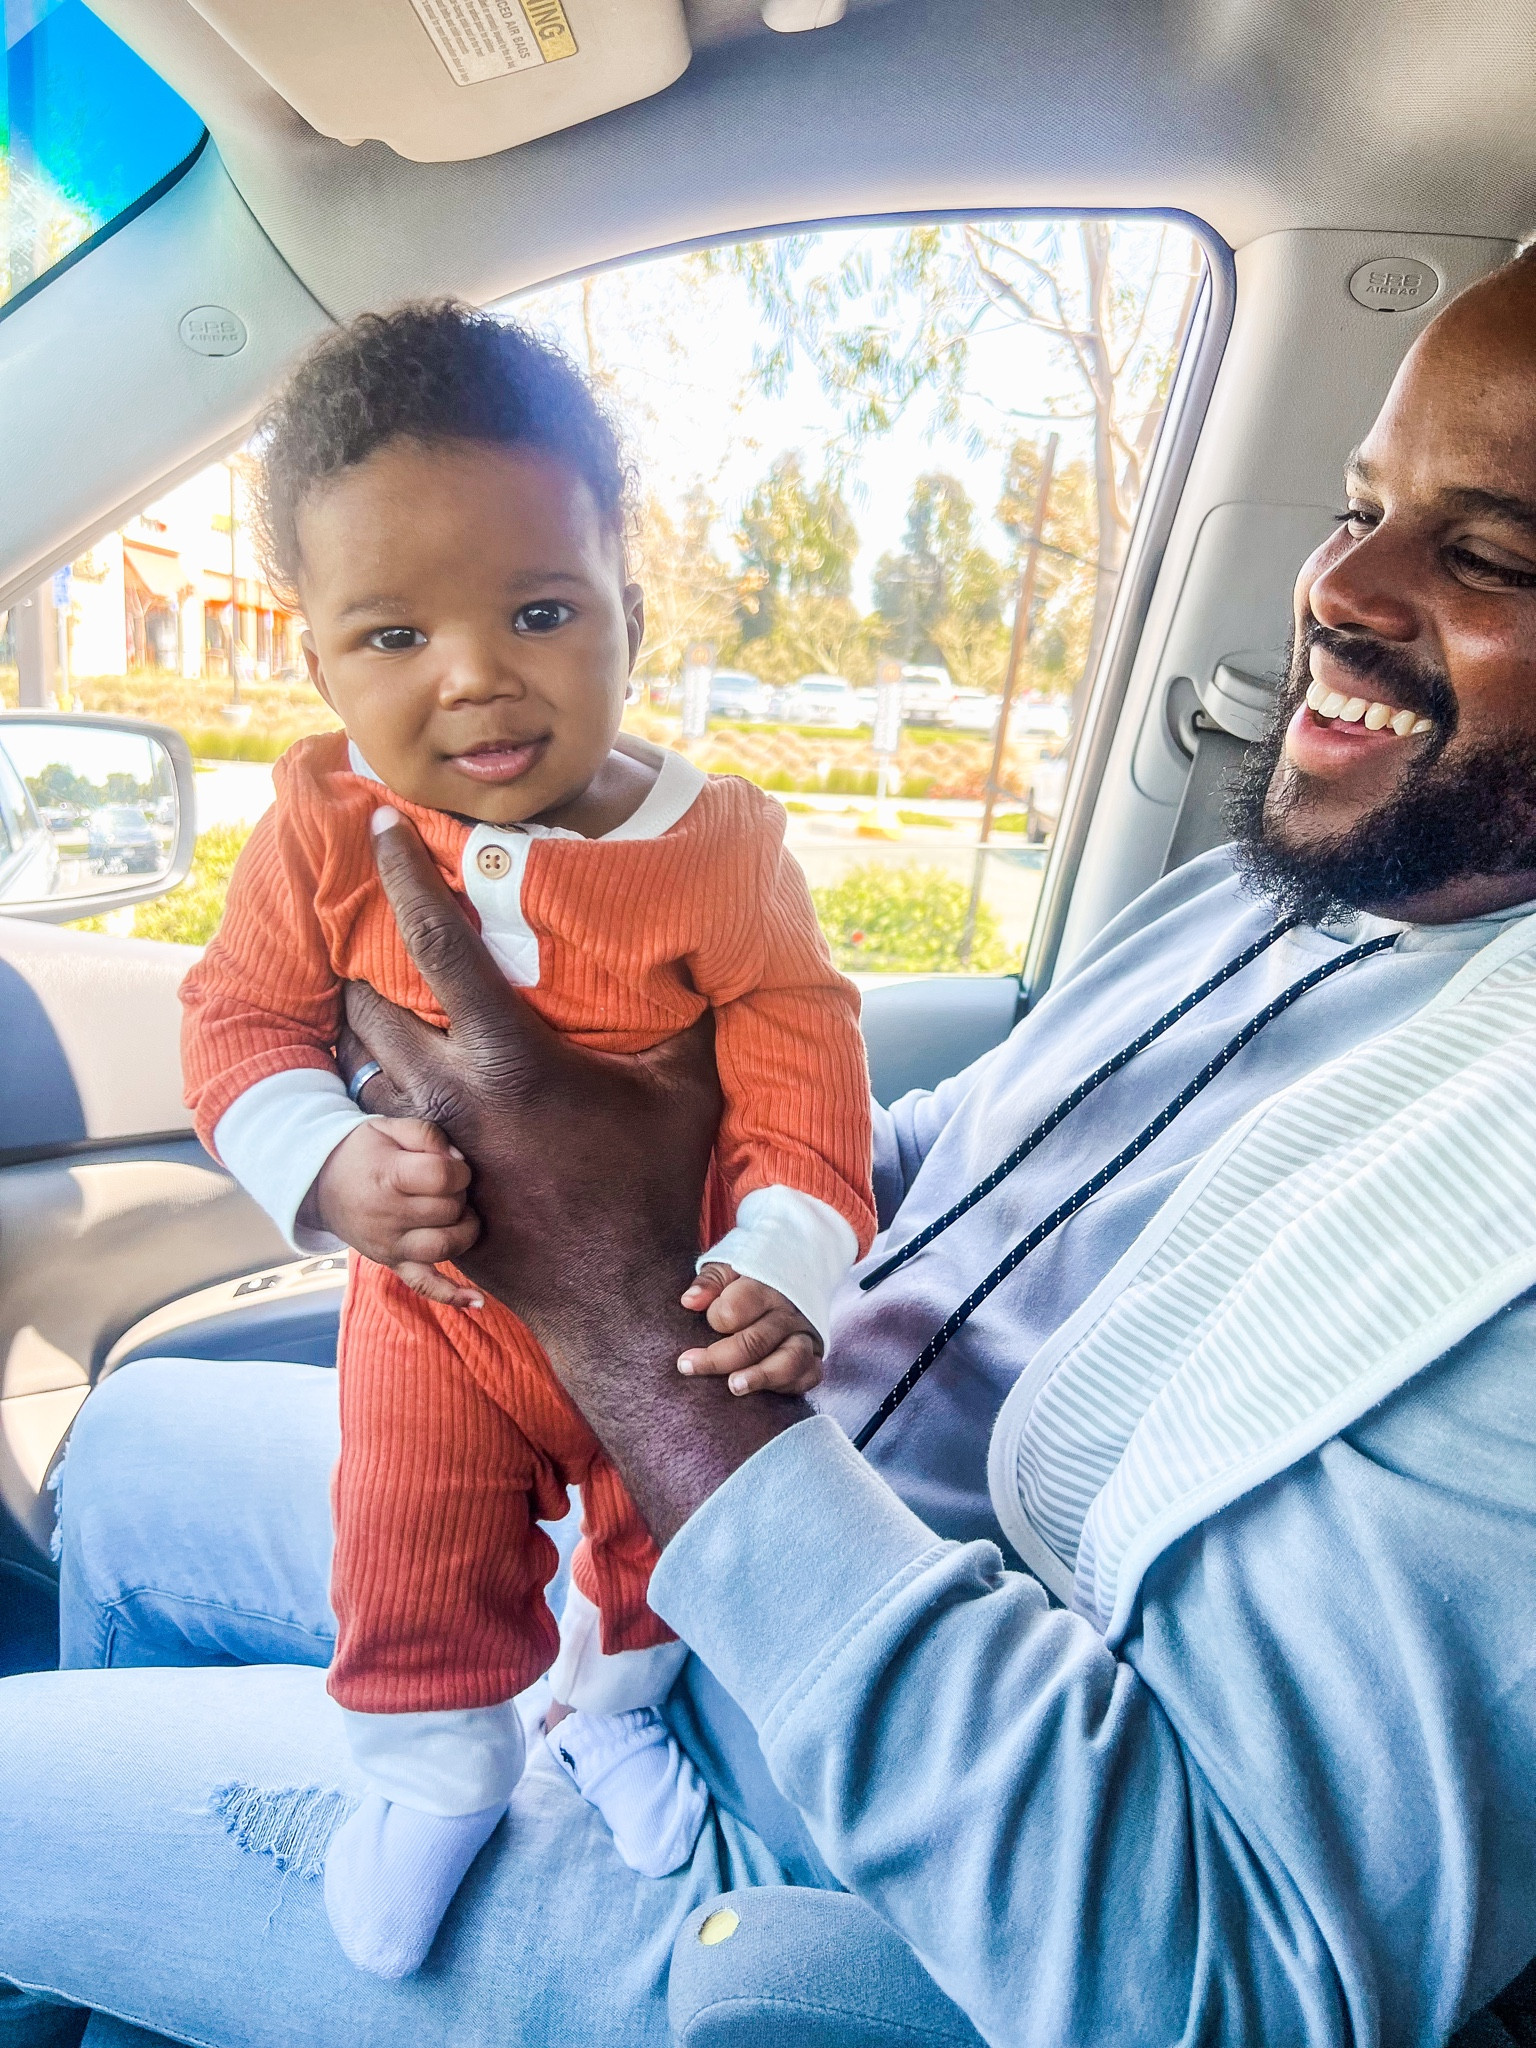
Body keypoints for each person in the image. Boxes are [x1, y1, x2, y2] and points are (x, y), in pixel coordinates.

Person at [5, 251, 1536, 2048]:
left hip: (826, 1802)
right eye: (1359, 509)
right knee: (132, 1447)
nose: (1340, 587)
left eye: (1493, 554)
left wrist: (618, 1311)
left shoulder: (1499, 1181)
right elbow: (956, 1151)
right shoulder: (1284, 893)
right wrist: (669, 1185)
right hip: (714, 1457)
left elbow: (1217, 1982)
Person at [177, 303, 874, 1977]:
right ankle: (431, 1774)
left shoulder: (721, 849)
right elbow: (236, 1020)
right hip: (434, 1313)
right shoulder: (323, 828)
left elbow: (802, 1051)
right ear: (319, 663)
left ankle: (612, 1706)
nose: (476, 674)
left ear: (632, 607)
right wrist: (325, 1163)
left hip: (668, 1308)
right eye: (395, 633)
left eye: (541, 611)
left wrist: (785, 1252)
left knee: (659, 1548)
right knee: (409, 1543)